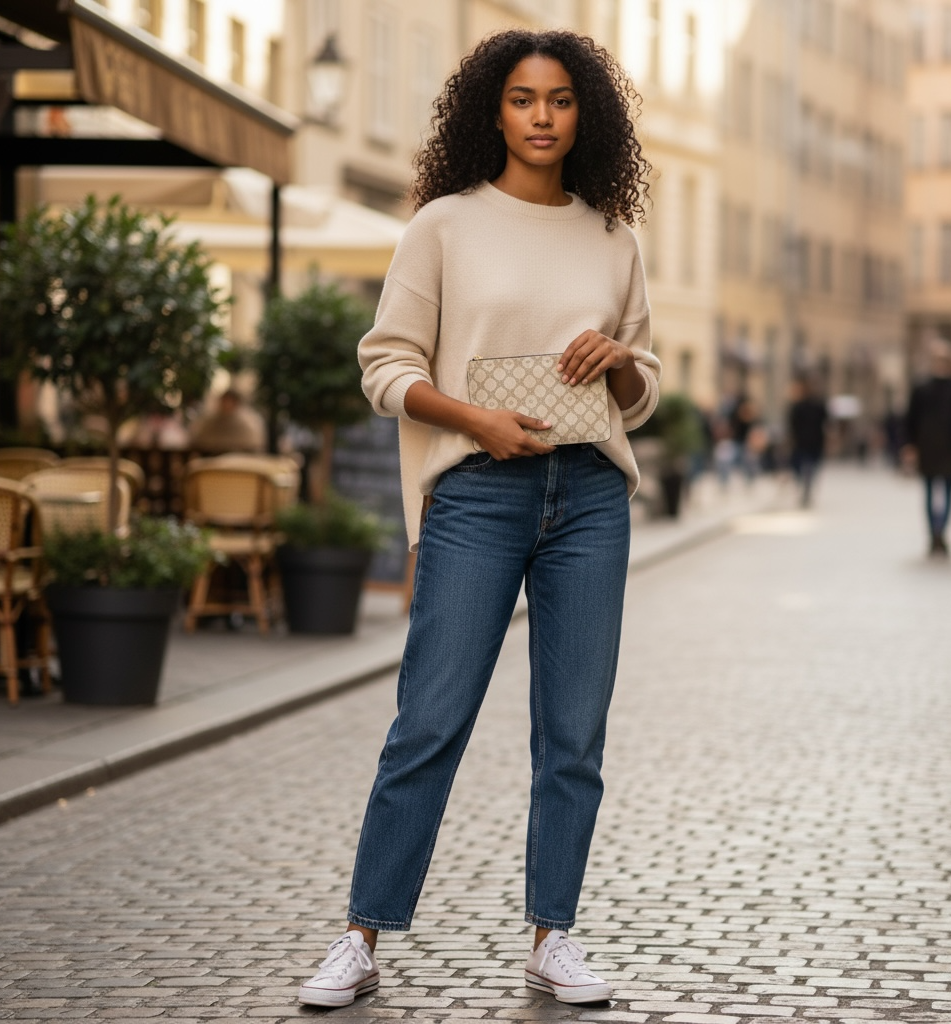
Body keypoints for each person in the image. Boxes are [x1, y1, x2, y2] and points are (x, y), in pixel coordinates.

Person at [298, 29, 660, 1010]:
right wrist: (474, 420)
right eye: (520, 98)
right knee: (430, 719)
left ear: (586, 112)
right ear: (490, 111)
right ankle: (360, 936)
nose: (541, 116)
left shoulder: (612, 235)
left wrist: (614, 360)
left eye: (558, 99)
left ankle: (553, 936)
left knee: (572, 732)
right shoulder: (444, 226)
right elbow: (387, 366)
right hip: (477, 490)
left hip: (587, 494)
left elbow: (644, 382)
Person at [903, 340, 951, 557]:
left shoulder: (924, 387)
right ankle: (939, 532)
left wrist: (910, 445)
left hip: (933, 446)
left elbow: (910, 420)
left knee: (933, 492)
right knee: (942, 492)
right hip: (946, 446)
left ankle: (936, 532)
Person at [787, 376, 829, 507]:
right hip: (815, 441)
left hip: (803, 441)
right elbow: (827, 424)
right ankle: (807, 484)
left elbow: (791, 426)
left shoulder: (797, 406)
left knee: (801, 465)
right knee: (811, 465)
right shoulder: (818, 405)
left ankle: (805, 484)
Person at [188, 388, 265, 453]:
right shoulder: (210, 420)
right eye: (224, 401)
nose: (227, 405)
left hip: (241, 460)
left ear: (237, 403)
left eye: (230, 401)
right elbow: (198, 441)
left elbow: (254, 444)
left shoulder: (248, 422)